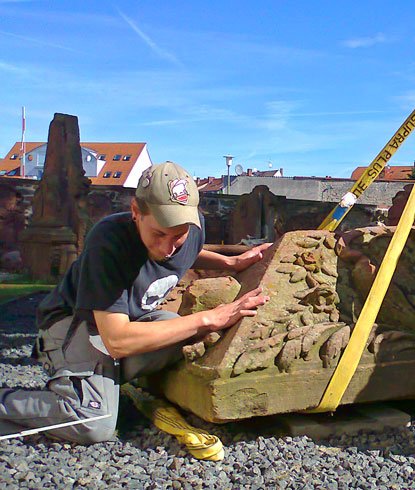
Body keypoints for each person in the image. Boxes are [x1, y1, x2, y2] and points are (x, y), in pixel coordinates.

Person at [0, 162, 270, 444]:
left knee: (176, 330)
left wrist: (231, 262)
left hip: (121, 325)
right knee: (93, 423)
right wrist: (208, 318)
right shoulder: (107, 241)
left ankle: (100, 381)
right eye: (159, 234)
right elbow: (117, 340)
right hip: (73, 324)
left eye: (178, 236)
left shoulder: (191, 231)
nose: (167, 249)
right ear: (135, 212)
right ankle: (20, 400)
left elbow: (191, 251)